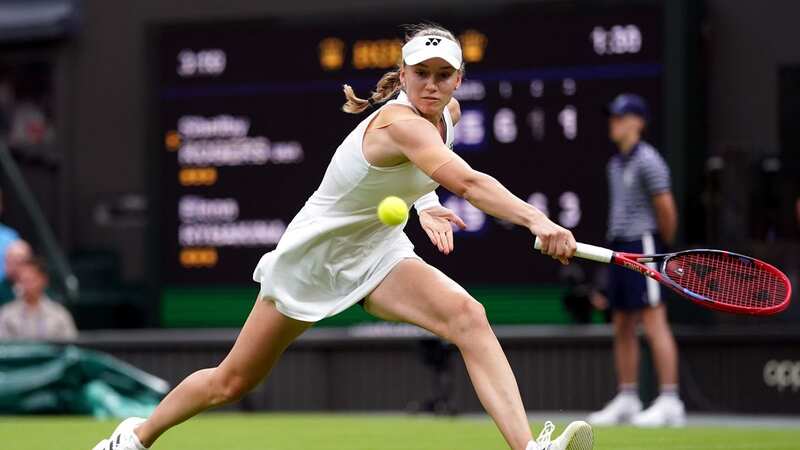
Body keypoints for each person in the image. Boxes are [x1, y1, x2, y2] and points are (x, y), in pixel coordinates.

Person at [93, 24, 591, 450]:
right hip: (314, 260)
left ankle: (527, 446)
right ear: (403, 75)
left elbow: (430, 173)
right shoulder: (397, 121)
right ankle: (135, 437)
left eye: (444, 76)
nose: (432, 86)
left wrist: (426, 202)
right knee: (232, 381)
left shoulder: (450, 115)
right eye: (422, 74)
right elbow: (468, 180)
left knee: (468, 316)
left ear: (459, 79)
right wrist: (537, 220)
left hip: (378, 251)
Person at [587, 94, 685, 427]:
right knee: (622, 323)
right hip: (619, 247)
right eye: (612, 117)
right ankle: (628, 397)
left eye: (621, 117)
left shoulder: (649, 160)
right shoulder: (614, 164)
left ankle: (670, 400)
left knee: (654, 320)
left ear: (638, 122)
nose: (614, 123)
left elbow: (666, 209)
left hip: (645, 245)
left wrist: (662, 247)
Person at [0, 256, 77, 340]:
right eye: (23, 280)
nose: (26, 285)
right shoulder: (6, 314)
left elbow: (70, 348)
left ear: (44, 280)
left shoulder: (59, 314)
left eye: (31, 280)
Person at [0, 239, 32, 303]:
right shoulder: (1, 289)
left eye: (15, 262)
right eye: (7, 261)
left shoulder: (37, 283)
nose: (8, 266)